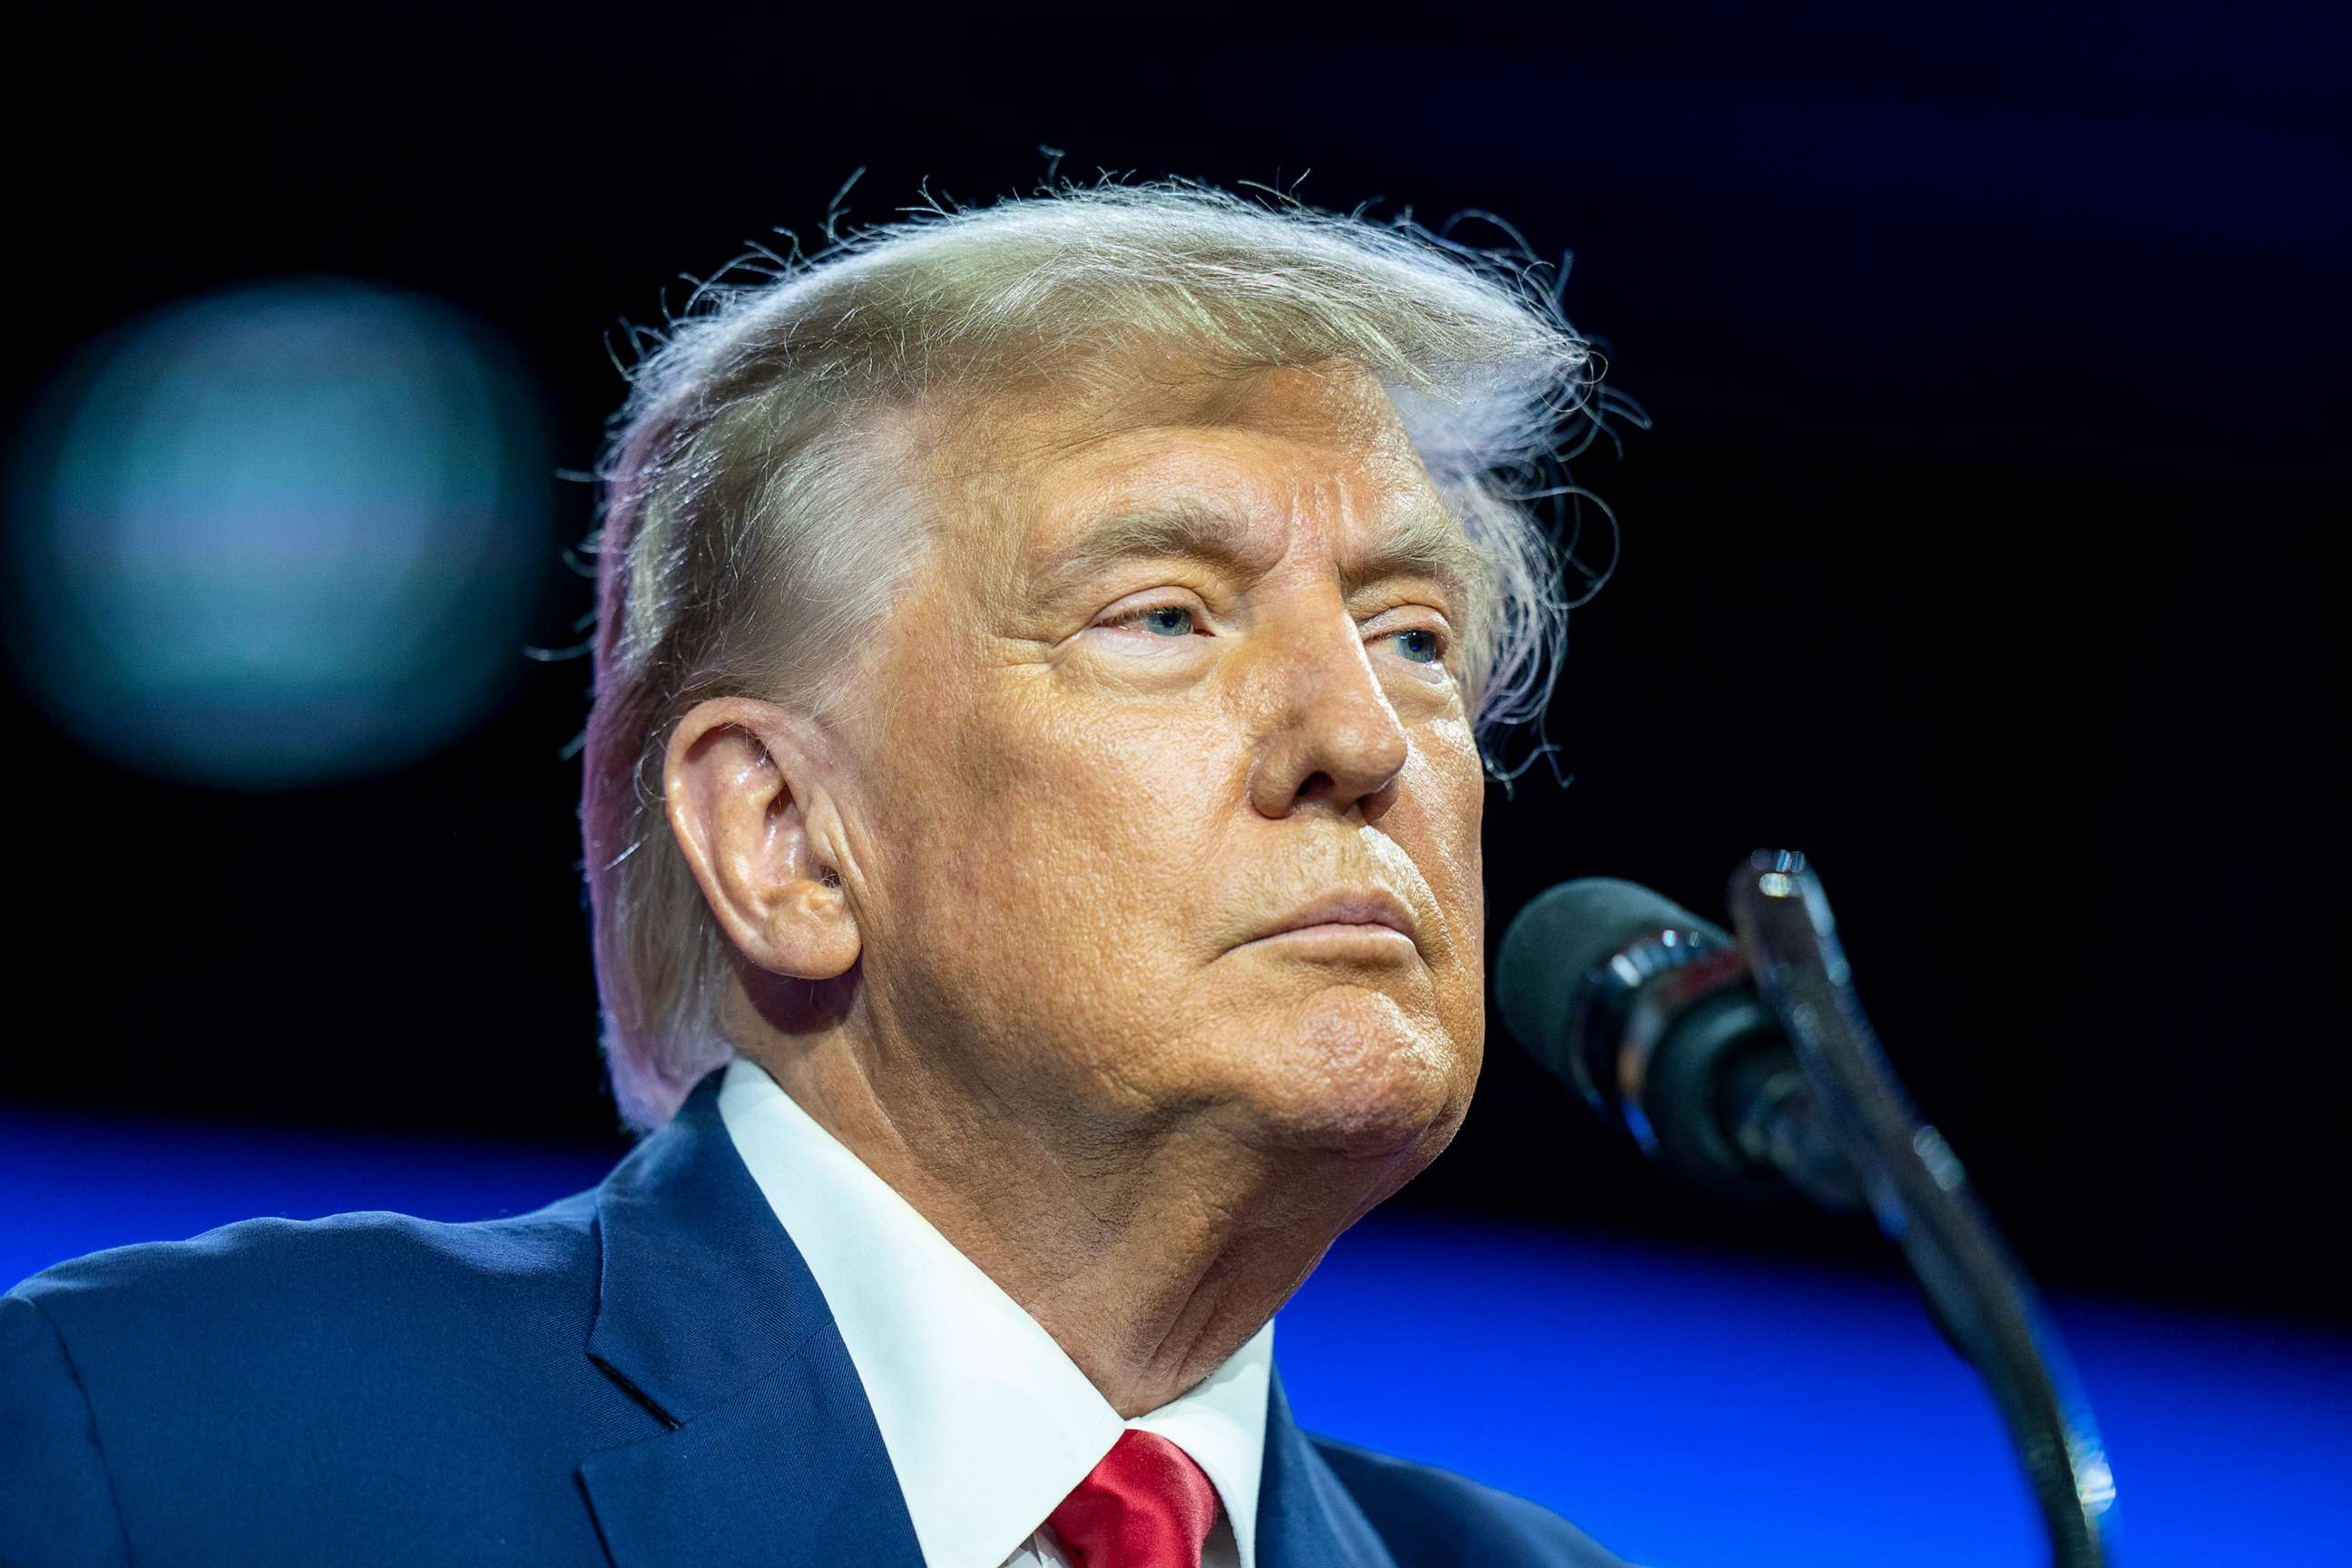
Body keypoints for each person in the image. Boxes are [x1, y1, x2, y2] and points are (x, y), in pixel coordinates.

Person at [1, 180, 1630, 1567]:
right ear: (781, 838)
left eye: (1414, 637)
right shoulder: (172, 1446)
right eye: (1166, 616)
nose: (1365, 736)